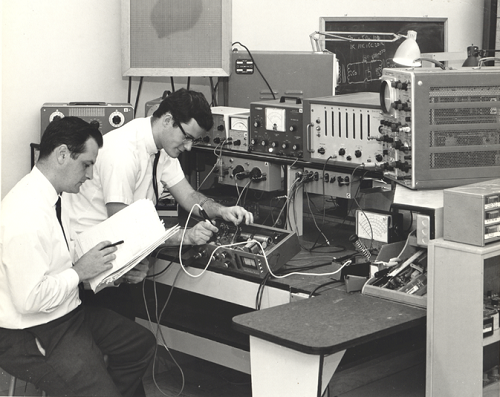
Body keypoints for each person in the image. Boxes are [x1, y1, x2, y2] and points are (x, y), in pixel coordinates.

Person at [64, 88, 254, 319]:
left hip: (119, 254)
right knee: (120, 338)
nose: (189, 147)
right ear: (167, 120)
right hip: (92, 264)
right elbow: (122, 225)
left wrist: (222, 211)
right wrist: (187, 236)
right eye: (187, 137)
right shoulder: (123, 151)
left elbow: (189, 196)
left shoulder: (162, 147)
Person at [0, 117, 156, 397]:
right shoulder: (26, 212)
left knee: (140, 343)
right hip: (34, 330)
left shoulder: (46, 197)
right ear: (62, 155)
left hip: (66, 314)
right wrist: (80, 272)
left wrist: (111, 269)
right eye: (86, 164)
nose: (90, 175)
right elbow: (29, 301)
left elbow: (54, 264)